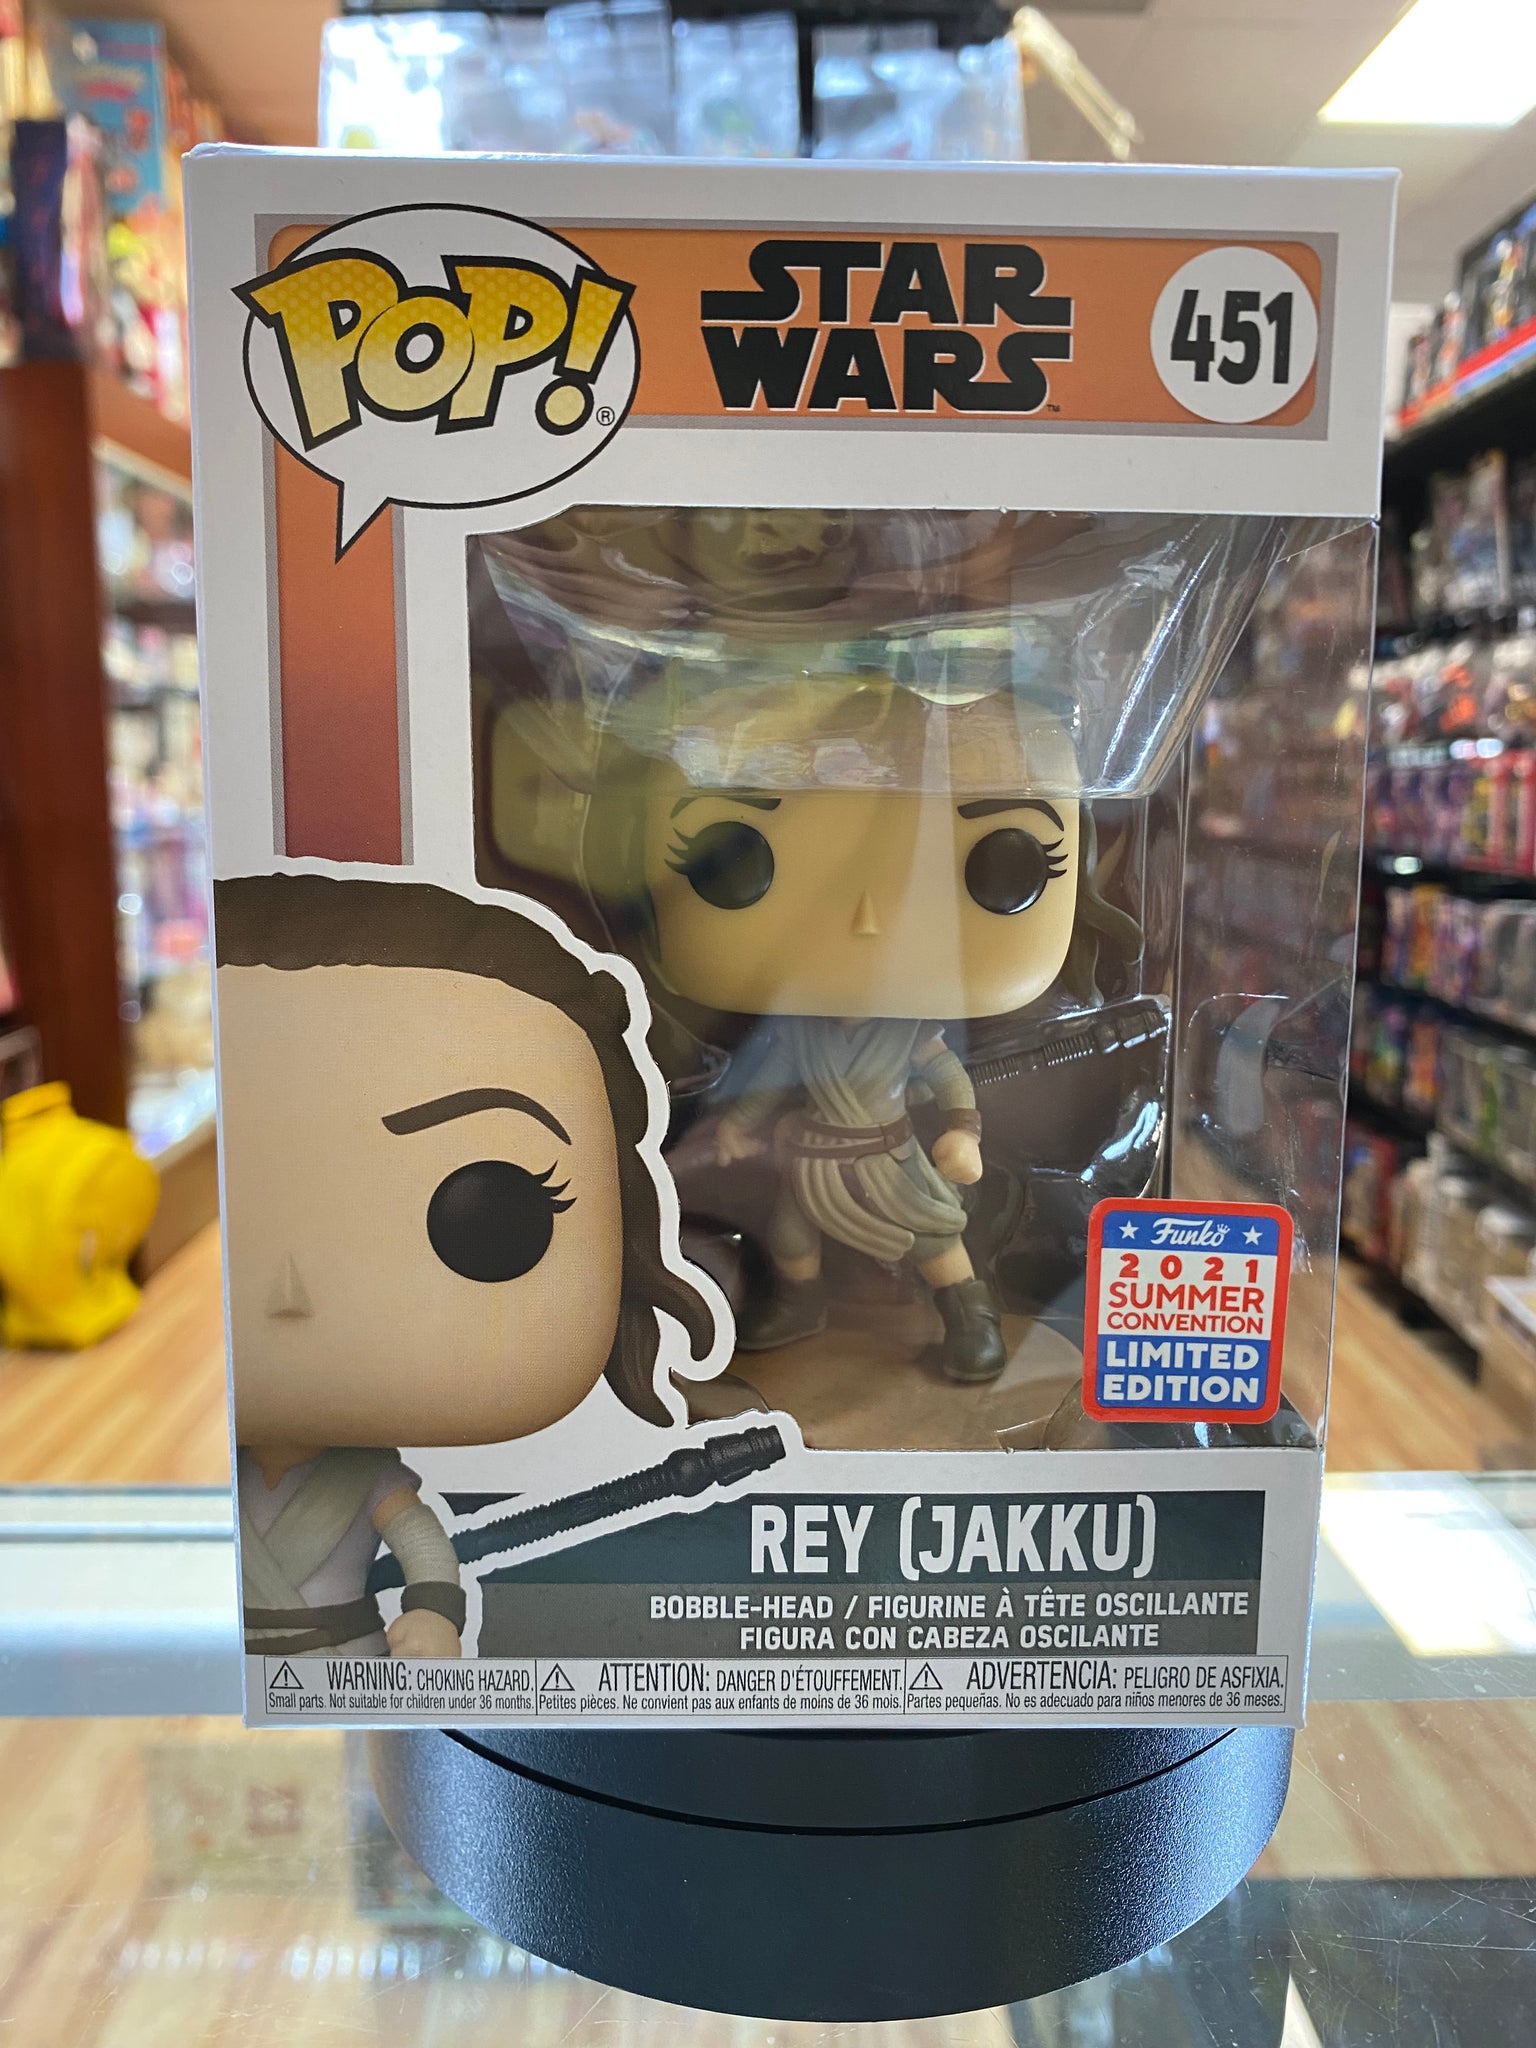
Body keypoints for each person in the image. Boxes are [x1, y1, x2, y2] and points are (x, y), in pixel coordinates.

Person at [215, 872, 720, 1658]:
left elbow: (423, 1551)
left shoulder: (369, 1481)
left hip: (351, 1654)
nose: (290, 1289)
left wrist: (433, 1612)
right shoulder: (205, 1474)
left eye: (492, 1213)